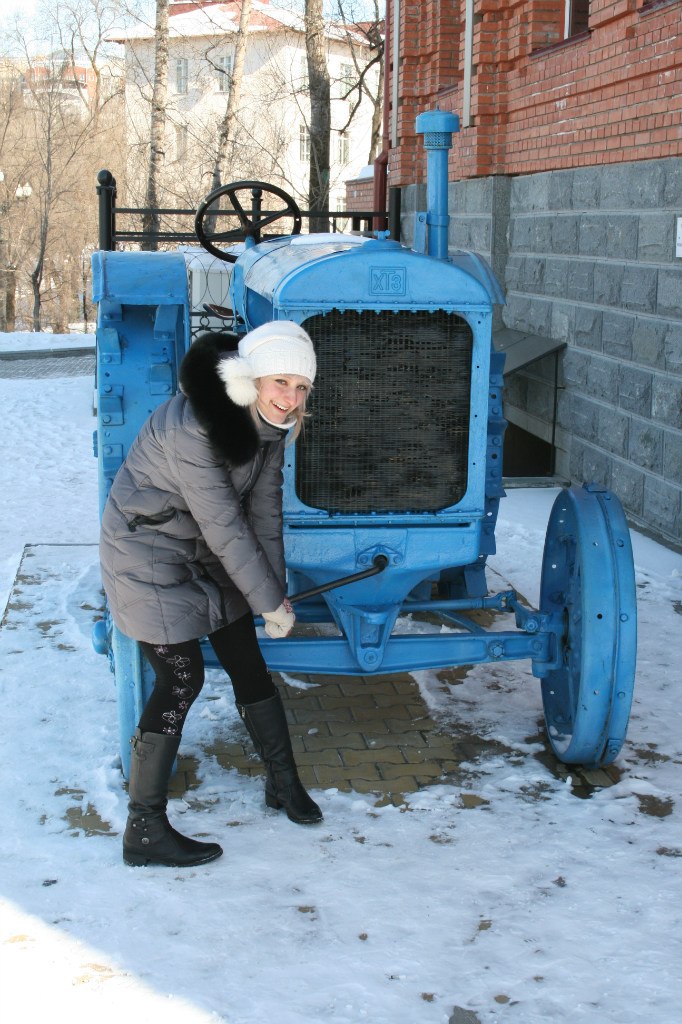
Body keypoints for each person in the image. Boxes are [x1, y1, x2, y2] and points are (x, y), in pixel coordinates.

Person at [99, 321, 323, 869]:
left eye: (301, 387)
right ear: (251, 378)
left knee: (246, 656)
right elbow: (226, 525)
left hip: (200, 550)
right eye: (280, 383)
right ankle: (144, 829)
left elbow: (264, 515)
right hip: (146, 552)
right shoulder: (196, 427)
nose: (290, 399)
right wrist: (266, 601)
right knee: (183, 675)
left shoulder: (268, 426)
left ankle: (283, 782)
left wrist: (276, 596)